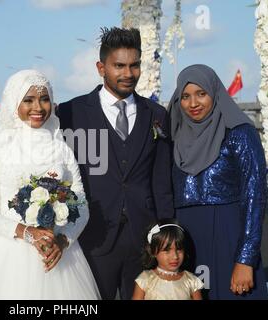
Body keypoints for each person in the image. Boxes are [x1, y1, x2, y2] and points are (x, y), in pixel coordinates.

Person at [0, 70, 100, 299]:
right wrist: (26, 232)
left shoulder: (61, 149)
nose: (38, 108)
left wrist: (63, 240)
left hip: (57, 257)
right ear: (14, 103)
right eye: (28, 100)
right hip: (7, 257)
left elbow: (80, 206)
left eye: (44, 99)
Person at [57, 27, 174, 299]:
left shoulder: (156, 114)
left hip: (144, 239)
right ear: (101, 67)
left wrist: (166, 231)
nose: (128, 73)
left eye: (134, 65)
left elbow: (162, 181)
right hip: (92, 237)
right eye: (119, 66)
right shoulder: (70, 113)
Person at [168, 64, 268, 300]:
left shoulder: (240, 132)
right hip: (187, 241)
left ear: (215, 93)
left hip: (229, 234)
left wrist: (245, 259)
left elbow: (255, 196)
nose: (193, 103)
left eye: (201, 94)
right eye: (185, 96)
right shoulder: (174, 135)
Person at [132, 220, 203, 300]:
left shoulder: (191, 281)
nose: (175, 256)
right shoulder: (145, 280)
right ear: (153, 251)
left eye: (179, 249)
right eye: (167, 250)